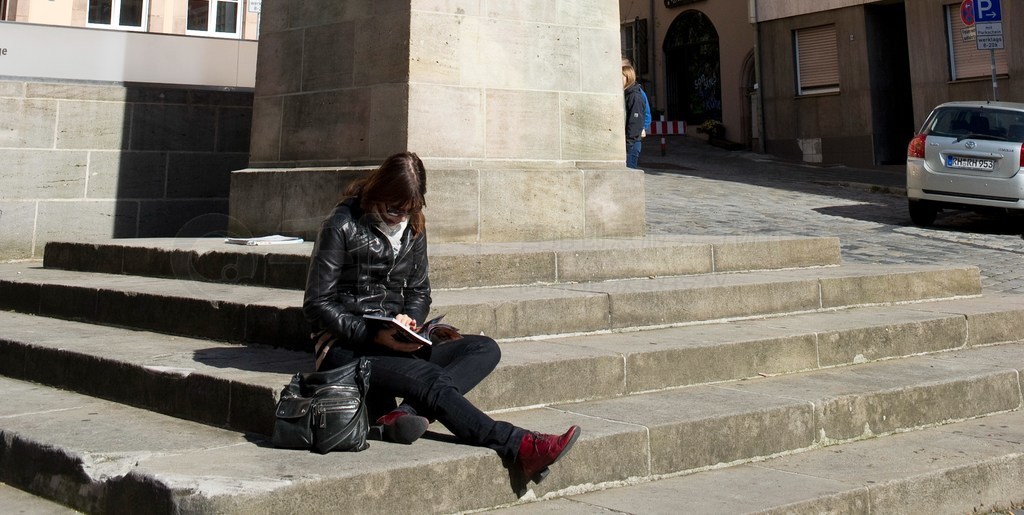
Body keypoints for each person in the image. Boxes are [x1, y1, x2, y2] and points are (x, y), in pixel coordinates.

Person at [303, 151, 580, 486]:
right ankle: (519, 445)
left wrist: (410, 321)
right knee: (430, 378)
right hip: (345, 346)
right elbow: (318, 303)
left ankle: (402, 415)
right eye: (393, 208)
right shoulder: (341, 224)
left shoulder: (413, 225)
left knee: (484, 349)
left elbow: (419, 289)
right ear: (378, 192)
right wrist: (372, 335)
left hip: (394, 338)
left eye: (408, 209)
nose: (399, 217)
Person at [623, 65, 645, 169]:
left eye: (621, 77)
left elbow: (635, 122)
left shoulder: (634, 96)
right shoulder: (627, 94)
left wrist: (628, 143)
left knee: (630, 173)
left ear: (628, 78)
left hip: (631, 144)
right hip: (629, 143)